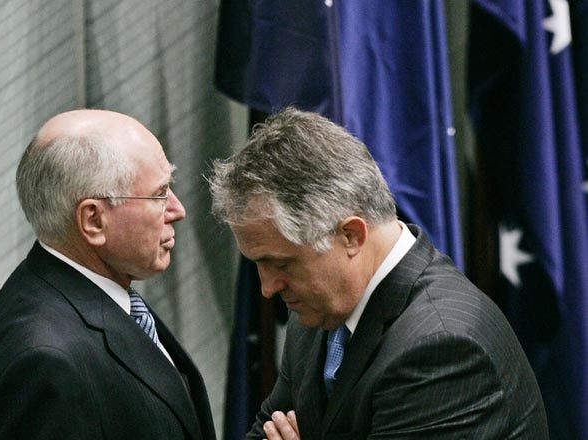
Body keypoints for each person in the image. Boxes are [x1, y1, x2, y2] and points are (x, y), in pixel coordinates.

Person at [209, 107, 549, 439]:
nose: (268, 288)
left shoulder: (441, 347)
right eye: (259, 264)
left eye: (282, 264)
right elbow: (267, 426)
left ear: (351, 236)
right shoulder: (319, 314)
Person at [0, 109, 216, 440]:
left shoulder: (77, 288)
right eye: (159, 194)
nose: (177, 210)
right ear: (93, 220)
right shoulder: (46, 361)